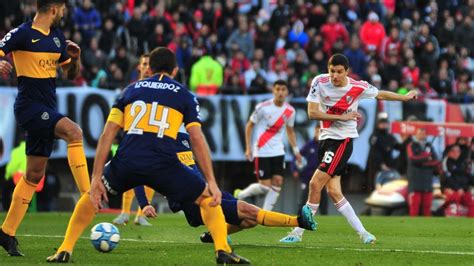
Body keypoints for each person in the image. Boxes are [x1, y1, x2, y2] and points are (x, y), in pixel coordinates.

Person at [45, 47, 256, 264]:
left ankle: (64, 249)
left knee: (91, 196)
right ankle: (222, 251)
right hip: (163, 164)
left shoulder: (129, 90)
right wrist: (211, 180)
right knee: (208, 199)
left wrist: (96, 177)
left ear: (149, 69)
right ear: (175, 70)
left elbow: (107, 134)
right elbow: (196, 138)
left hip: (127, 161)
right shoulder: (184, 95)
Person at [294, 54, 417, 244]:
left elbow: (381, 94)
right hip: (325, 141)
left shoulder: (357, 87)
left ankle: (298, 231)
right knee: (334, 192)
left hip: (342, 142)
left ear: (346, 72)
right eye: (331, 71)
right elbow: (312, 113)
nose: (334, 76)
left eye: (339, 72)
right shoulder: (319, 81)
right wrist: (343, 117)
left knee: (314, 183)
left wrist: (405, 97)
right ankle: (364, 233)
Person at [0, 0, 89, 257]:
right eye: (63, 8)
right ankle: (88, 196)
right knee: (74, 132)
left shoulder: (58, 38)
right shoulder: (22, 33)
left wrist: (76, 58)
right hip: (29, 106)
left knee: (34, 175)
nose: (64, 13)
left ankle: (6, 232)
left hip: (46, 106)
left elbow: (71, 74)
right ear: (54, 8)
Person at [132, 132, 316, 241]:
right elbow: (139, 176)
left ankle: (214, 234)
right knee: (249, 210)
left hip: (209, 191)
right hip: (193, 201)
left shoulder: (183, 138)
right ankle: (298, 221)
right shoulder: (156, 146)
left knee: (249, 221)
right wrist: (144, 203)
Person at [234, 80, 302, 211]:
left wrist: (296, 151)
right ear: (273, 91)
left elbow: (290, 131)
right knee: (265, 187)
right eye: (278, 89)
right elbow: (249, 125)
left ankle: (265, 214)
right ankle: (241, 194)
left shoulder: (290, 111)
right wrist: (248, 147)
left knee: (278, 182)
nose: (280, 92)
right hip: (262, 150)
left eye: (283, 89)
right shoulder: (263, 107)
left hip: (278, 151)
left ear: (287, 92)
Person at [112, 53, 155, 226]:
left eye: (149, 64)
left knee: (152, 176)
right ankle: (124, 212)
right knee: (130, 175)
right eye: (144, 63)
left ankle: (141, 215)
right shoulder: (132, 88)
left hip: (151, 138)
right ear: (139, 66)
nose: (146, 67)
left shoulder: (157, 89)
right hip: (132, 137)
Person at [279, 124, 329, 243]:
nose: (318, 133)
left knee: (324, 201)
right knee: (303, 201)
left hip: (321, 178)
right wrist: (294, 170)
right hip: (307, 179)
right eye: (317, 131)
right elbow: (297, 157)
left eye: (320, 131)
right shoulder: (309, 145)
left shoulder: (325, 146)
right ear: (314, 132)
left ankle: (325, 222)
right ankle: (299, 220)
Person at [407, 128, 440, 217]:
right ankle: (412, 227)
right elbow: (412, 159)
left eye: (423, 134)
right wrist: (426, 158)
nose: (422, 135)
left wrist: (422, 162)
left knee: (427, 206)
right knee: (414, 206)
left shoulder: (429, 146)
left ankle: (427, 228)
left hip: (427, 180)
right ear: (416, 135)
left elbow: (436, 161)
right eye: (420, 133)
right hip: (415, 180)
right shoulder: (412, 145)